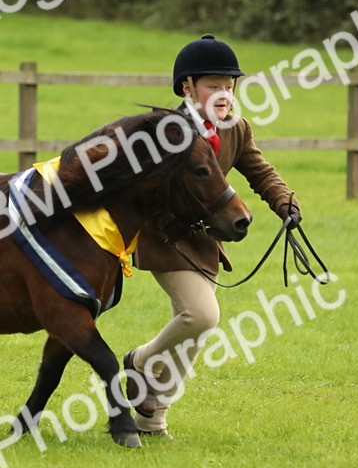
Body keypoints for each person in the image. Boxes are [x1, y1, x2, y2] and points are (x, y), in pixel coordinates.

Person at [124, 34, 302, 439]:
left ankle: (151, 421)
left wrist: (285, 203)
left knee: (195, 330)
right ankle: (139, 362)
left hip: (207, 241)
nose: (224, 93)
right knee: (202, 315)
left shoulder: (236, 129)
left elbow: (260, 170)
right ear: (187, 88)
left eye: (229, 85)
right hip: (166, 238)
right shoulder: (167, 132)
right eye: (213, 86)